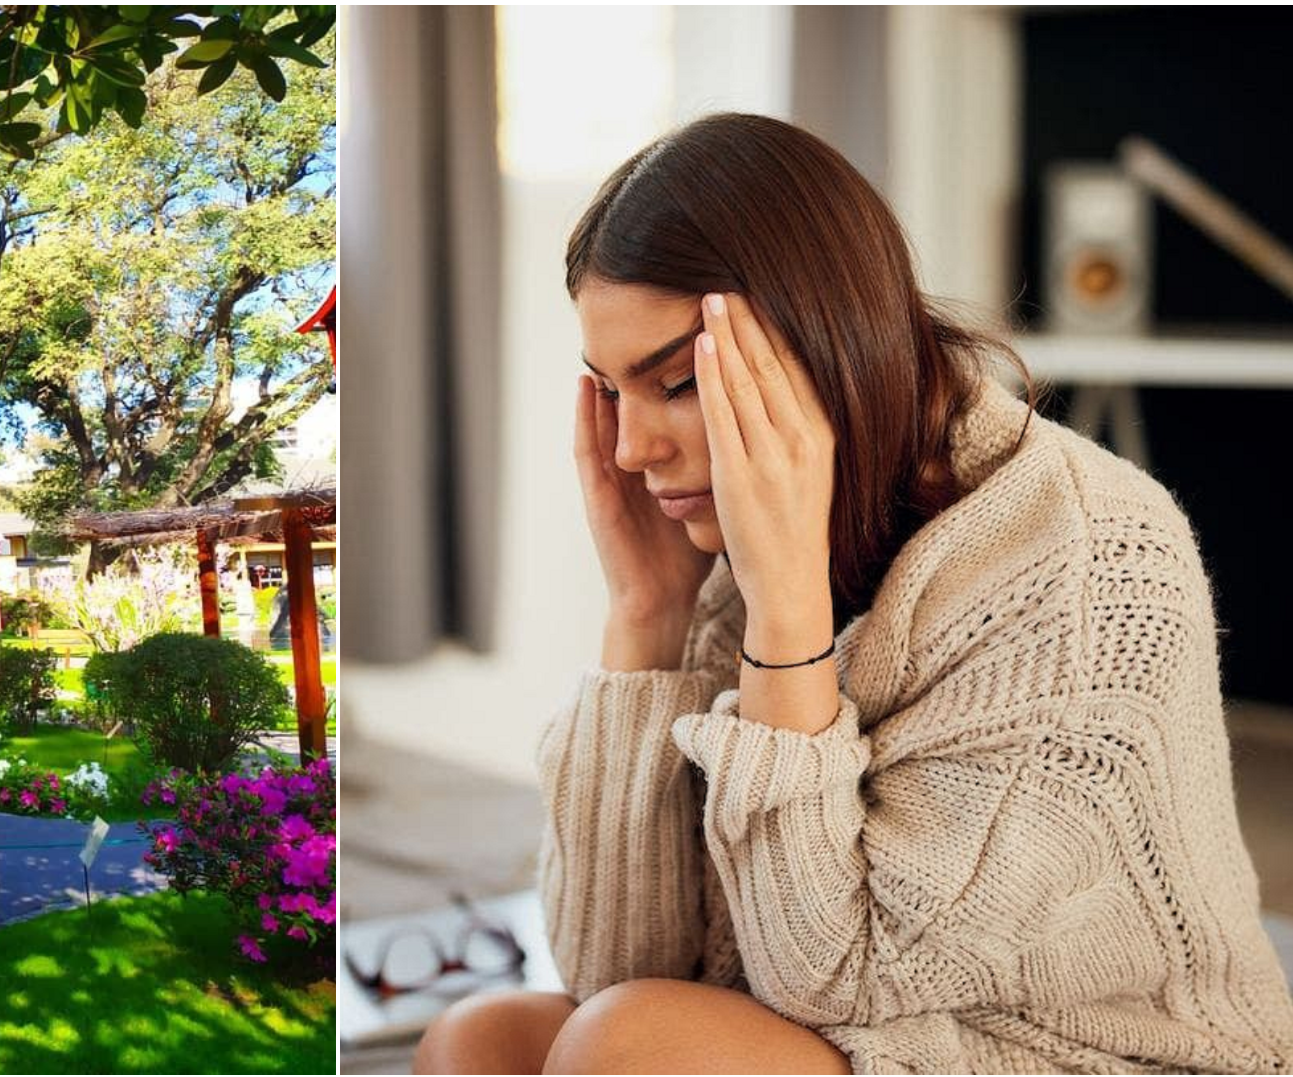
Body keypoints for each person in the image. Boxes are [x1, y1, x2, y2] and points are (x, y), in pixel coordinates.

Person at [414, 113, 1293, 1074]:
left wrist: (786, 614)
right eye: (611, 392)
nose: (631, 451)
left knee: (625, 1046)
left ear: (825, 340)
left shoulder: (1090, 565)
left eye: (673, 383)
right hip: (875, 1021)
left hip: (1084, 1049)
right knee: (485, 1038)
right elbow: (613, 964)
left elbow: (840, 974)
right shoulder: (734, 549)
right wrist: (645, 616)